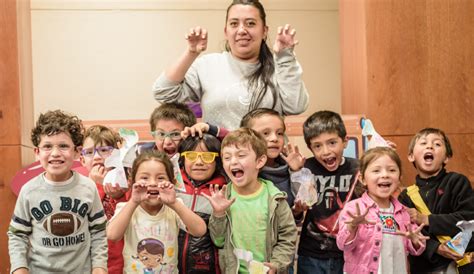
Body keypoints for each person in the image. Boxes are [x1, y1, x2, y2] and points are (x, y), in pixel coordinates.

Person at [152, 0, 309, 130]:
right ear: (226, 32)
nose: (241, 30)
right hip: (220, 161)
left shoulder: (280, 66)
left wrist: (285, 57)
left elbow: (296, 107)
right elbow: (163, 92)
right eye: (234, 24)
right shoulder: (208, 65)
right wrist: (191, 52)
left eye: (250, 23)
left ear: (265, 31)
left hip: (267, 163)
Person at [8, 110, 108, 273]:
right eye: (47, 146)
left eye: (63, 146)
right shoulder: (28, 191)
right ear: (37, 152)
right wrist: (19, 267)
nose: (55, 153)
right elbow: (17, 235)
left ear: (77, 152)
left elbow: (98, 231)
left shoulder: (88, 187)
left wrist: (99, 266)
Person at [204, 128, 297, 273]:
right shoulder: (224, 197)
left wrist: (277, 264)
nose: (233, 161)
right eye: (227, 157)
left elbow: (287, 238)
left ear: (260, 161)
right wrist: (219, 214)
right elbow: (218, 240)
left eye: (241, 155)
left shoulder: (275, 199)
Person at [107, 150, 207, 274]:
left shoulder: (174, 207)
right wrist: (133, 201)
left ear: (172, 182)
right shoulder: (126, 208)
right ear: (132, 182)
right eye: (144, 177)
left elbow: (200, 230)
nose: (153, 183)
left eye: (160, 178)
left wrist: (174, 203)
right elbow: (112, 235)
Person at [336, 147, 427, 273]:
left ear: (399, 177)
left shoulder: (404, 212)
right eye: (376, 170)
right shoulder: (354, 208)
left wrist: (416, 241)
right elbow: (342, 244)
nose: (385, 175)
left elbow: (416, 249)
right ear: (363, 179)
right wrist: (352, 226)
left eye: (392, 170)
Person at [290, 110, 359, 274]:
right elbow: (295, 213)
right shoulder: (306, 168)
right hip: (311, 255)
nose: (326, 151)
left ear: (345, 141)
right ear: (310, 148)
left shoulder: (358, 168)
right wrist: (298, 210)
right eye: (318, 146)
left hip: (350, 253)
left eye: (332, 143)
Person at [398, 128, 474, 274]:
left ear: (446, 157)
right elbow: (408, 234)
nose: (430, 146)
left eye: (437, 144)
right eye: (423, 143)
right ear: (411, 156)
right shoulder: (405, 196)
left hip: (464, 266)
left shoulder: (457, 182)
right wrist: (435, 248)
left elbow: (469, 218)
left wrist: (427, 219)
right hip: (426, 267)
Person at [80, 125, 128, 274]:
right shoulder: (80, 187)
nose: (96, 157)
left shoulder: (128, 185)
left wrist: (116, 194)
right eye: (89, 153)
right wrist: (95, 185)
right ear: (82, 160)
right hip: (90, 266)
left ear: (117, 155)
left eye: (104, 150)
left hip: (124, 265)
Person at [177, 134, 227, 273]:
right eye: (191, 156)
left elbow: (221, 239)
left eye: (207, 156)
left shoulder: (224, 191)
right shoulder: (172, 187)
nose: (199, 162)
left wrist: (212, 129)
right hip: (170, 265)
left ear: (217, 161)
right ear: (182, 159)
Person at [240, 108, 305, 208]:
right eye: (266, 133)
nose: (274, 139)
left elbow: (306, 201)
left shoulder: (291, 168)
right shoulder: (242, 170)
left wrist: (296, 171)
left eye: (279, 133)